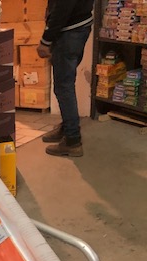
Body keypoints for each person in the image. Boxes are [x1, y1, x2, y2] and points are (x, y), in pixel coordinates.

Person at [37, 0, 94, 157]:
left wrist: (46, 40)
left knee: (63, 87)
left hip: (69, 31)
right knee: (66, 83)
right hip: (79, 27)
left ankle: (72, 140)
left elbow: (62, 7)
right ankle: (68, 127)